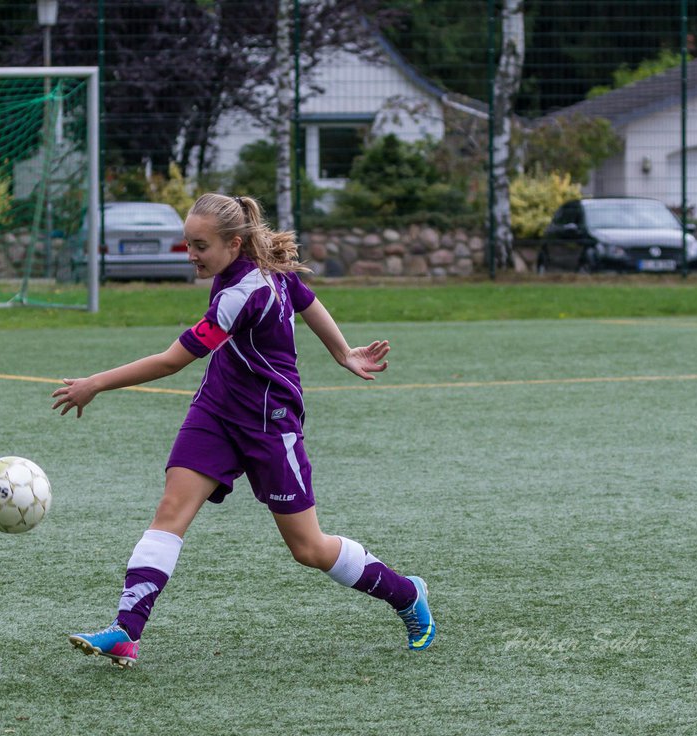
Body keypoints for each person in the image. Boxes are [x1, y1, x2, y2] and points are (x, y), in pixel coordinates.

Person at [51, 193, 435, 668]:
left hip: (271, 425)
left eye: (200, 246)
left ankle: (406, 594)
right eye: (187, 244)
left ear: (234, 244)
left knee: (308, 548)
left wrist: (97, 383)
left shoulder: (241, 293)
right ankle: (126, 632)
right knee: (171, 509)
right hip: (216, 412)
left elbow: (175, 360)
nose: (191, 254)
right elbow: (307, 301)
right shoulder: (256, 272)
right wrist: (341, 352)